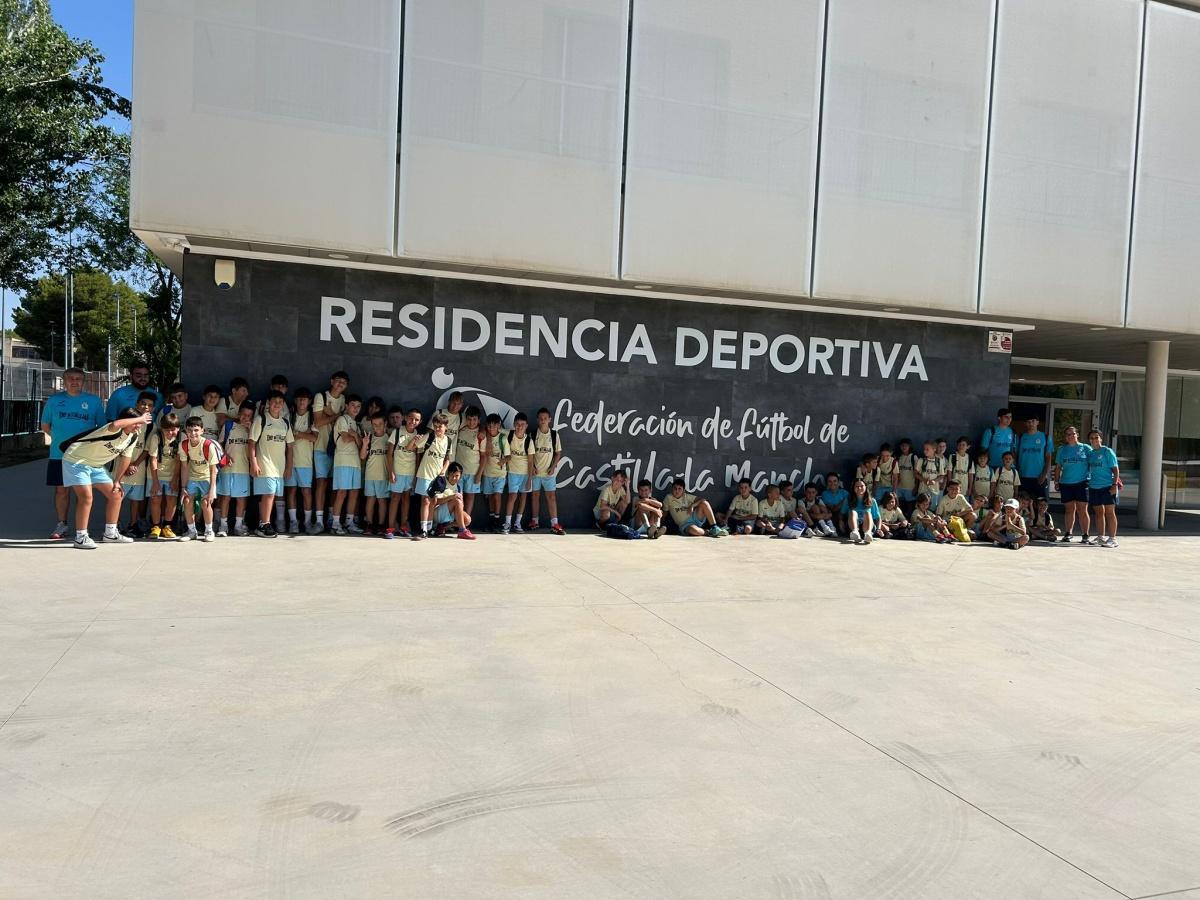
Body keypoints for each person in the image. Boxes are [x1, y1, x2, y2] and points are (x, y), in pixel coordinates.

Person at [60, 407, 152, 549]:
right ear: (126, 421)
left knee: (116, 494)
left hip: (96, 466)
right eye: (135, 423)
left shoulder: (133, 437)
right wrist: (140, 418)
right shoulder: (112, 429)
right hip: (75, 461)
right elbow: (115, 424)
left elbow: (125, 459)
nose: (138, 427)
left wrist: (117, 481)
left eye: (140, 424)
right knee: (86, 497)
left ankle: (110, 534)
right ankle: (81, 537)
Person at [41, 367, 106, 539]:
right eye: (71, 378)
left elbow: (102, 427)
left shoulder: (93, 401)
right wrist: (61, 442)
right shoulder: (54, 400)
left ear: (83, 381)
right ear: (65, 380)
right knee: (61, 491)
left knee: (83, 492)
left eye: (78, 378)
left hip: (84, 456)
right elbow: (45, 425)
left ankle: (81, 527)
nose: (74, 381)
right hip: (59, 454)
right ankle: (61, 524)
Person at [249, 389, 294, 538]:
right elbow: (252, 443)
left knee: (269, 496)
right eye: (274, 402)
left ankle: (263, 523)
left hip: (279, 466)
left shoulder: (285, 423)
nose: (277, 404)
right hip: (264, 464)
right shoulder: (261, 419)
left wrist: (288, 467)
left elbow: (290, 446)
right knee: (269, 494)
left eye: (280, 402)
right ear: (268, 403)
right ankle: (265, 524)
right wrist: (254, 463)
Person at [111, 391, 157, 536]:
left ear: (153, 409)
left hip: (137, 468)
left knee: (135, 500)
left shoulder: (151, 426)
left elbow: (147, 449)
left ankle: (133, 524)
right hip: (119, 467)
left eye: (150, 405)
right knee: (117, 497)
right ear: (137, 404)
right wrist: (125, 464)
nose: (146, 407)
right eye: (143, 403)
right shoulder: (127, 419)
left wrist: (135, 464)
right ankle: (114, 525)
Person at [311, 370, 349, 532]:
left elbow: (343, 421)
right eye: (338, 380)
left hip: (338, 449)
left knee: (336, 485)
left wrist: (330, 413)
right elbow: (318, 422)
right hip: (321, 446)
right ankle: (318, 520)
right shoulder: (321, 396)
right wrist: (336, 415)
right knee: (321, 482)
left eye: (344, 382)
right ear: (332, 381)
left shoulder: (343, 400)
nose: (340, 384)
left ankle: (331, 518)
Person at [179, 416, 220, 542]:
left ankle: (209, 530)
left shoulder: (208, 445)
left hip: (207, 477)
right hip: (192, 476)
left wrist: (212, 490)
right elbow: (184, 467)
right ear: (186, 431)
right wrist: (183, 487)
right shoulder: (184, 444)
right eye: (190, 430)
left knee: (205, 502)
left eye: (196, 430)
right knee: (186, 500)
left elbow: (214, 470)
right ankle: (192, 531)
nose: (193, 433)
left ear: (202, 430)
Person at [216, 402, 254, 537]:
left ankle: (238, 525)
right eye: (243, 414)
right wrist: (225, 455)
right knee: (225, 497)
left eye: (249, 416)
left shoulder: (252, 429)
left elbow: (255, 447)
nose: (245, 418)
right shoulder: (229, 426)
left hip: (243, 469)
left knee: (241, 498)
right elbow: (219, 444)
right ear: (239, 414)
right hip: (227, 468)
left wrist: (250, 431)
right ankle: (223, 525)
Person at [385, 407, 424, 539]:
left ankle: (403, 527)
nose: (413, 421)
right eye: (411, 418)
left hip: (410, 473)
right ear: (406, 418)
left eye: (416, 419)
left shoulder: (419, 436)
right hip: (397, 472)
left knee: (406, 499)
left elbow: (418, 457)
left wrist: (416, 476)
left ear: (420, 421)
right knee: (395, 498)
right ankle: (390, 529)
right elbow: (389, 454)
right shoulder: (396, 432)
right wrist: (391, 472)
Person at [329, 394, 364, 535]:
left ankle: (349, 523)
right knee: (342, 492)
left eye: (358, 406)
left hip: (355, 462)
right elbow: (345, 438)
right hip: (342, 462)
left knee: (354, 493)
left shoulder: (357, 425)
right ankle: (335, 524)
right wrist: (355, 437)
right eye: (353, 405)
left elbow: (361, 444)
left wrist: (355, 435)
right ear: (347, 406)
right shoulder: (342, 419)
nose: (355, 408)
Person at [413, 413, 452, 539]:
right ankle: (423, 530)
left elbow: (447, 459)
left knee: (433, 501)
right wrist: (415, 440)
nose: (437, 429)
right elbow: (415, 446)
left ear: (446, 426)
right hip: (425, 473)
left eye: (440, 426)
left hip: (437, 477)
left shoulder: (448, 441)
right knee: (425, 500)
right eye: (435, 426)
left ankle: (429, 529)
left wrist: (443, 471)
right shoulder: (429, 436)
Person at [528, 408, 565, 535]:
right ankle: (534, 520)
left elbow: (558, 453)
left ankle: (554, 523)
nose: (543, 421)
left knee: (551, 497)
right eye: (541, 418)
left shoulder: (554, 435)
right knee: (535, 496)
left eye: (545, 418)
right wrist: (532, 466)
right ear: (538, 420)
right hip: (536, 473)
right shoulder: (533, 435)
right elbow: (530, 454)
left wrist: (553, 467)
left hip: (549, 473)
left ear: (550, 419)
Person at [286, 388, 318, 535]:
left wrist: (297, 434)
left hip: (305, 462)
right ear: (295, 400)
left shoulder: (312, 417)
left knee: (306, 491)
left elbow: (314, 437)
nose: (301, 402)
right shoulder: (289, 416)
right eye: (299, 399)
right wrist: (303, 435)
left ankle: (307, 522)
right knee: (291, 490)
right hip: (290, 461)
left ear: (309, 401)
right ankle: (293, 521)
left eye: (304, 399)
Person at [1053, 425, 1092, 543]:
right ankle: (1068, 533)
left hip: (1082, 482)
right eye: (1068, 434)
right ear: (1065, 437)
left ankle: (1085, 534)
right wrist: (1056, 480)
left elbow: (1094, 462)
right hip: (1066, 483)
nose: (1070, 436)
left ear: (1077, 435)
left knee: (1082, 510)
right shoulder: (1062, 449)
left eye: (1073, 434)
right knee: (1069, 509)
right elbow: (1058, 467)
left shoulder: (1086, 448)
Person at [146, 413, 181, 540]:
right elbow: (153, 459)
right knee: (156, 499)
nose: (170, 433)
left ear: (178, 428)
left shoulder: (180, 439)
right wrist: (155, 481)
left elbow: (178, 461)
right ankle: (155, 526)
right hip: (155, 474)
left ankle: (167, 526)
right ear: (161, 428)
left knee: (172, 500)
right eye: (167, 430)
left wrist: (175, 479)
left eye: (173, 430)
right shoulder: (156, 437)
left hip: (171, 475)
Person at [1087, 429, 1120, 548]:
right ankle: (1101, 537)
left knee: (1110, 513)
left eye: (1097, 437)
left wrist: (1114, 485)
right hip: (1094, 487)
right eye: (1092, 438)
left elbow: (1115, 470)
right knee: (1098, 513)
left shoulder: (1107, 451)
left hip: (1107, 486)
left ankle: (1113, 539)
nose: (1094, 440)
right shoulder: (1091, 454)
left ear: (1101, 438)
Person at [426, 462, 476, 540]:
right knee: (456, 501)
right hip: (437, 513)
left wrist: (459, 501)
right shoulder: (441, 483)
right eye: (452, 475)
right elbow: (435, 502)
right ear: (448, 474)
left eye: (457, 476)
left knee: (467, 520)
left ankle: (443, 527)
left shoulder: (459, 487)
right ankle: (462, 530)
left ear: (460, 476)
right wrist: (451, 497)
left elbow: (460, 506)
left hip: (450, 515)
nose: (454, 478)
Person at [359, 412, 390, 535]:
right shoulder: (369, 438)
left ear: (385, 424)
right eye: (375, 424)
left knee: (382, 501)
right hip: (370, 475)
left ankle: (382, 525)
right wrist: (365, 444)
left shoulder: (389, 438)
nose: (377, 427)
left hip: (383, 475)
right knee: (370, 500)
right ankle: (369, 524)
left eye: (380, 424)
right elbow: (362, 457)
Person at [454, 406, 485, 524]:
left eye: (475, 420)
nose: (472, 422)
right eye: (469, 419)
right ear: (466, 419)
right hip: (458, 472)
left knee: (470, 496)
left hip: (473, 472)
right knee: (458, 497)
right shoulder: (461, 429)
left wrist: (479, 474)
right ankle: (457, 521)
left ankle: (465, 522)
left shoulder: (481, 435)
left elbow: (484, 457)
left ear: (479, 420)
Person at [503, 413, 532, 533]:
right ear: (514, 424)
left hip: (525, 474)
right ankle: (507, 523)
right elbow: (493, 428)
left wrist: (530, 479)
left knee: (523, 498)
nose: (520, 427)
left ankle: (517, 523)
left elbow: (531, 461)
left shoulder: (529, 441)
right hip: (512, 473)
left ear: (526, 426)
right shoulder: (508, 435)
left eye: (522, 425)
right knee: (512, 497)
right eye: (518, 424)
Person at [480, 413, 508, 533]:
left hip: (500, 474)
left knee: (497, 495)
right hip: (487, 473)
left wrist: (503, 461)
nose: (492, 428)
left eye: (494, 426)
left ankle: (497, 520)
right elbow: (482, 455)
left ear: (499, 425)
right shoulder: (485, 438)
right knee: (490, 497)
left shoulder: (503, 438)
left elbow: (509, 456)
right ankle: (491, 520)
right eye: (490, 426)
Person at [1016, 415, 1053, 500]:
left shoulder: (1045, 437)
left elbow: (1048, 458)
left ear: (1037, 422)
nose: (1031, 424)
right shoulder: (1021, 437)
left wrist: (1044, 475)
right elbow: (1015, 456)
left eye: (1033, 421)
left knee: (1040, 505)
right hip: (1022, 476)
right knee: (1023, 505)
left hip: (1039, 477)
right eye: (1028, 422)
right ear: (1025, 424)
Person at [916, 441, 947, 510]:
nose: (925, 451)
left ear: (934, 449)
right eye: (924, 449)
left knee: (932, 508)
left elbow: (942, 475)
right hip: (923, 489)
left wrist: (934, 481)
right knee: (921, 507)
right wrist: (924, 480)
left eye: (927, 449)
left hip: (934, 490)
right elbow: (915, 473)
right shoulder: (921, 460)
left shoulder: (939, 461)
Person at [847, 478, 879, 544]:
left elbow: (878, 518)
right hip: (854, 527)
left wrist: (879, 529)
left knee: (867, 513)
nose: (859, 488)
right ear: (853, 488)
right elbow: (841, 514)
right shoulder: (848, 499)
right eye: (857, 486)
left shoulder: (872, 500)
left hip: (868, 527)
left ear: (865, 487)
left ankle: (868, 534)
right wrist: (841, 522)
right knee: (853, 512)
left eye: (862, 486)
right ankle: (855, 532)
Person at [894, 438, 918, 513]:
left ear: (909, 446)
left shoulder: (913, 457)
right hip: (899, 487)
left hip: (910, 487)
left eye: (906, 445)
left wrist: (916, 486)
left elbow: (917, 473)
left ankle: (909, 522)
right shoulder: (898, 457)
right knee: (900, 506)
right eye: (902, 446)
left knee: (910, 506)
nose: (904, 447)